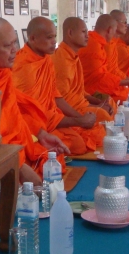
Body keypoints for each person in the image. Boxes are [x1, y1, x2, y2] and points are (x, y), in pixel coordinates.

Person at [0, 17, 69, 185]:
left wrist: (41, 134)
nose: (15, 50)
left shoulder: (1, 71)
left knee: (51, 159)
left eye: (15, 42)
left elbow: (16, 112)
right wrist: (19, 165)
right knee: (30, 175)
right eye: (7, 46)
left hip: (12, 146)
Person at [12, 17, 104, 154]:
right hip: (33, 126)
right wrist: (77, 121)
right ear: (32, 38)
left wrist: (79, 118)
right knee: (78, 144)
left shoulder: (46, 60)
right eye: (49, 37)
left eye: (55, 36)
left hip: (52, 119)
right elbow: (31, 114)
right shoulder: (24, 68)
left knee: (96, 133)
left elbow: (56, 96)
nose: (54, 41)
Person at [52, 17, 114, 124]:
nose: (87, 36)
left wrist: (97, 102)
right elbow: (61, 100)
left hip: (82, 104)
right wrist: (81, 118)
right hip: (71, 112)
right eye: (83, 32)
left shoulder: (73, 56)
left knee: (109, 102)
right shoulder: (62, 60)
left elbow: (79, 92)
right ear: (70, 33)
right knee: (104, 116)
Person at [78, 14, 129, 102]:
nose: (126, 25)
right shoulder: (96, 46)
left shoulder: (99, 43)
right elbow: (100, 77)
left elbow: (110, 70)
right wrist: (127, 81)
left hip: (102, 85)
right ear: (109, 30)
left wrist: (127, 80)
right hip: (92, 90)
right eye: (124, 22)